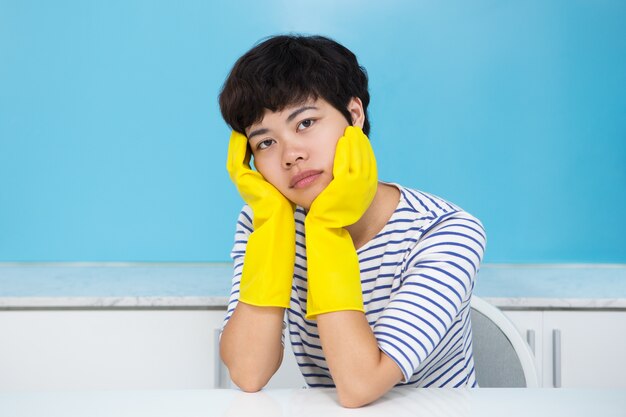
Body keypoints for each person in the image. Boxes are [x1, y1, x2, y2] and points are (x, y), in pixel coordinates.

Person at [218, 34, 486, 408]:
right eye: (264, 143)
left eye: (306, 122)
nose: (290, 155)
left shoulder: (445, 231)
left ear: (354, 115)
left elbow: (360, 385)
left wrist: (326, 227)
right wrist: (273, 228)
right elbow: (248, 372)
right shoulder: (266, 224)